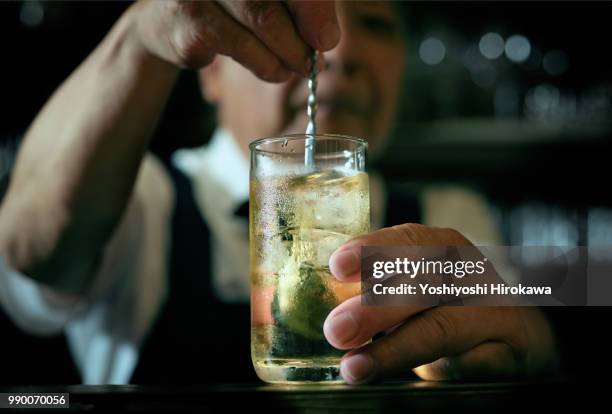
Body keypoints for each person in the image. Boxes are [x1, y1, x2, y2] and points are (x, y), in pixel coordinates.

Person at [0, 0, 559, 385]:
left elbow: (541, 321)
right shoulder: (141, 195)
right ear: (211, 73)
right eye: (289, 24)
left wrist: (526, 344)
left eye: (377, 24)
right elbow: (26, 246)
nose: (339, 54)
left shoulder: (446, 213)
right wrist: (141, 33)